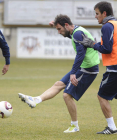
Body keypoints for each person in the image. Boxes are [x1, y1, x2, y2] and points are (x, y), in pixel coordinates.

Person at [18, 14, 100, 133]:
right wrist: (56, 25)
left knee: (67, 95)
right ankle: (36, 100)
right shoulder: (76, 31)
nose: (58, 32)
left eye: (59, 29)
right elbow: (72, 38)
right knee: (58, 84)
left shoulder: (76, 33)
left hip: (88, 69)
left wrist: (73, 73)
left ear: (66, 25)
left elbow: (80, 55)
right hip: (84, 67)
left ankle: (74, 126)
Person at [77, 1, 117, 134]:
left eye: (97, 13)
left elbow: (106, 49)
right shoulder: (116, 24)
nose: (96, 16)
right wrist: (94, 43)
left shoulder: (107, 26)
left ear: (104, 13)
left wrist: (92, 44)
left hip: (114, 69)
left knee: (102, 96)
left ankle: (111, 128)